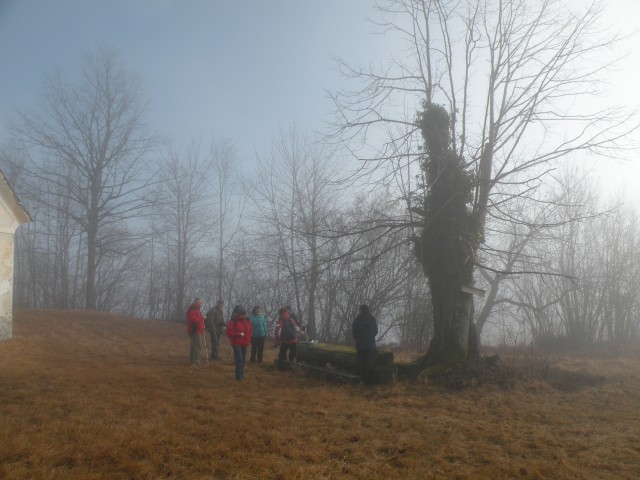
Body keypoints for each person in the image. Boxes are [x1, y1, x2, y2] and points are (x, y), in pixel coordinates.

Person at [351, 304, 378, 384]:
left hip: (360, 345)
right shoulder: (372, 319)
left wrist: (358, 338)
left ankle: (360, 380)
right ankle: (367, 382)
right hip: (371, 346)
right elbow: (376, 332)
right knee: (369, 364)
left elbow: (354, 332)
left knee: (360, 363)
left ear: (360, 310)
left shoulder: (357, 320)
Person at [225, 305, 252, 380]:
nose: (244, 316)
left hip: (245, 342)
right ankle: (238, 375)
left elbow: (250, 330)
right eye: (243, 314)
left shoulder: (247, 320)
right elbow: (228, 332)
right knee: (239, 359)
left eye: (245, 314)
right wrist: (238, 334)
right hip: (236, 343)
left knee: (243, 359)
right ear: (239, 314)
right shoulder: (233, 321)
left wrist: (248, 339)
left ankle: (242, 374)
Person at [186, 297, 206, 366]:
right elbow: (193, 320)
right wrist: (202, 318)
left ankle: (192, 361)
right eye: (200, 303)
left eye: (201, 303)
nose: (201, 304)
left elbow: (197, 319)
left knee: (194, 346)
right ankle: (195, 362)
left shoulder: (196, 309)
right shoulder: (193, 309)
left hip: (196, 330)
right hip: (194, 331)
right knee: (197, 346)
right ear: (196, 303)